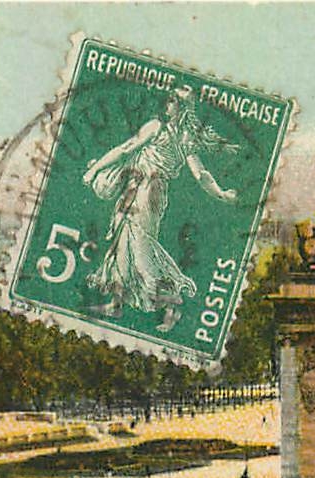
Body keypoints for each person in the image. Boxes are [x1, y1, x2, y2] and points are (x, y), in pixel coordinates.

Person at [81, 85, 240, 332]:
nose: (168, 103)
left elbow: (127, 149)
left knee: (141, 248)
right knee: (124, 245)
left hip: (146, 192)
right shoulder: (183, 138)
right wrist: (222, 194)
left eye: (174, 100)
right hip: (140, 189)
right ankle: (116, 302)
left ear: (182, 108)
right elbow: (201, 175)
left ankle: (172, 305)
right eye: (169, 99)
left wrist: (93, 171)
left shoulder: (160, 129)